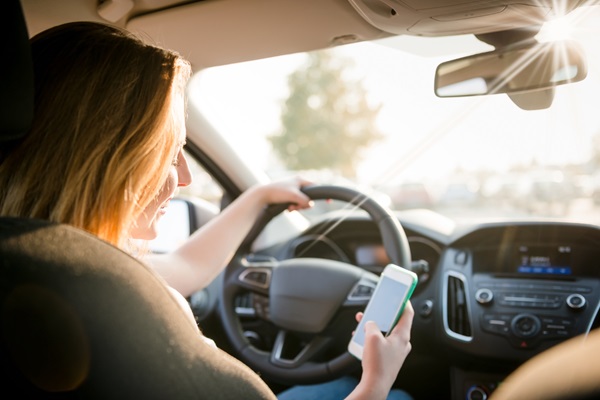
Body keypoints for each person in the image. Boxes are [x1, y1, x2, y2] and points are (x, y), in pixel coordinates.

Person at [0, 21, 414, 400]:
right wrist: (376, 382)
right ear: (110, 160)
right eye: (170, 152)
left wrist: (258, 195)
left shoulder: (49, 269)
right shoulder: (129, 310)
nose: (184, 178)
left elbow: (185, 264)